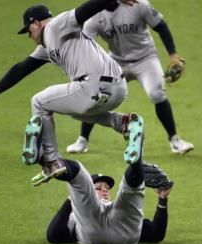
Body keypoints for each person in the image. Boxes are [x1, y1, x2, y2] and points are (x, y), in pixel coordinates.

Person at [0, 0, 141, 183]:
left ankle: (52, 160)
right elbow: (23, 68)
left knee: (38, 102)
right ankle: (123, 123)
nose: (29, 35)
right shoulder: (46, 45)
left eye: (28, 30)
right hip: (118, 88)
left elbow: (86, 9)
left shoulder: (56, 25)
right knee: (73, 110)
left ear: (37, 23)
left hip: (92, 86)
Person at [66, 0, 194, 155]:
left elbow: (160, 26)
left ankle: (175, 141)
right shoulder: (94, 17)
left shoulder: (138, 4)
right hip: (116, 61)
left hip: (145, 58)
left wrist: (173, 55)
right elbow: (86, 46)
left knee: (157, 93)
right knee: (97, 94)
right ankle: (82, 140)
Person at [37, 114, 172, 244]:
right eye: (98, 187)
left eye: (106, 187)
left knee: (130, 190)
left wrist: (162, 198)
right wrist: (71, 201)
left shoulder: (117, 209)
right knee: (80, 177)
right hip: (104, 230)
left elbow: (156, 234)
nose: (105, 190)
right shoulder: (76, 215)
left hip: (120, 225)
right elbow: (53, 236)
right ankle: (53, 162)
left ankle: (136, 159)